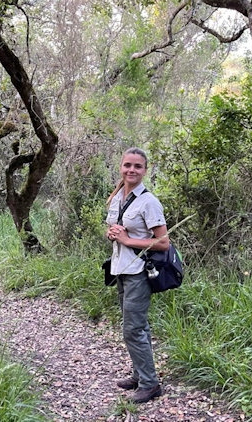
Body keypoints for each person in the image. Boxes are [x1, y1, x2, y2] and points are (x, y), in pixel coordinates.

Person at [105, 147, 169, 404]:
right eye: (127, 165)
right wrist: (112, 234)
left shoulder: (149, 202)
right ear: (121, 167)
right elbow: (115, 231)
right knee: (132, 327)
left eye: (137, 166)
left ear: (145, 170)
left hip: (139, 273)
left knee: (134, 328)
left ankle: (150, 384)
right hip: (120, 269)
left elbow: (163, 242)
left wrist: (127, 239)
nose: (131, 170)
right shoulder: (117, 197)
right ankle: (139, 375)